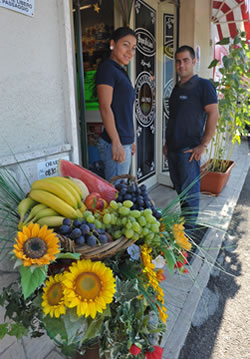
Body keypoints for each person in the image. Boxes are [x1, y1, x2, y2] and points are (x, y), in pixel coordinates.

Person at [165, 45, 219, 231]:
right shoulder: (176, 88)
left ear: (194, 61)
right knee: (181, 191)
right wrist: (167, 144)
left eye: (185, 60)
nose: (181, 65)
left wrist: (203, 144)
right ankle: (184, 226)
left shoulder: (204, 86)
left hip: (189, 151)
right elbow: (176, 118)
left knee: (190, 194)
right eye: (178, 61)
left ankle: (189, 233)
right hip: (173, 150)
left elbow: (213, 114)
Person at [96, 27, 137, 181]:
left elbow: (124, 110)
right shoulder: (107, 68)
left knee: (120, 192)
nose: (130, 52)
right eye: (126, 45)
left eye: (133, 48)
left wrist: (129, 140)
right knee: (116, 194)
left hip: (123, 141)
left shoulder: (120, 71)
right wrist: (116, 142)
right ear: (113, 44)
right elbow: (105, 107)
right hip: (114, 142)